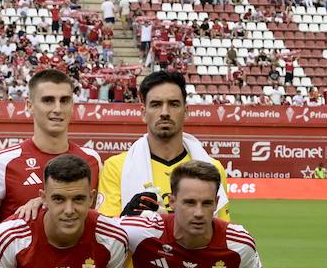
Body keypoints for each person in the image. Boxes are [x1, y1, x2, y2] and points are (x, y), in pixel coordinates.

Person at [118, 160, 264, 268]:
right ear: (172, 202)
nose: (199, 213)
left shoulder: (238, 242)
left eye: (207, 203)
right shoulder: (142, 231)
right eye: (190, 202)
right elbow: (100, 234)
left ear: (216, 203)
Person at [0, 68, 103, 246]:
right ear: (29, 105)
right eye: (48, 100)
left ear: (72, 105)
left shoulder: (92, 160)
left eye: (64, 100)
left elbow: (102, 225)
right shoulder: (4, 163)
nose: (57, 109)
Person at [0, 155, 126, 268]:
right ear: (43, 198)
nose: (69, 210)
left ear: (91, 198)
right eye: (58, 199)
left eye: (78, 199)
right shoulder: (10, 237)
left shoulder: (113, 238)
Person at [98, 70, 230, 220]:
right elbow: (106, 234)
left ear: (186, 111)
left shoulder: (213, 169)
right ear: (143, 113)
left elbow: (221, 232)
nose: (165, 112)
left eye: (173, 104)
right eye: (156, 105)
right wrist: (128, 216)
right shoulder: (116, 167)